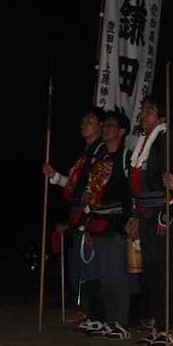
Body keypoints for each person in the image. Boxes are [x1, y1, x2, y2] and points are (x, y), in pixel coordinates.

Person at [126, 95, 173, 346]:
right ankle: (158, 324)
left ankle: (169, 327)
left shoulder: (168, 138)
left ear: (162, 116)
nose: (143, 114)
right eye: (142, 110)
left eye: (149, 110)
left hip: (162, 212)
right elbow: (137, 186)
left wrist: (165, 213)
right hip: (145, 212)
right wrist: (135, 216)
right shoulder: (142, 143)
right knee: (151, 272)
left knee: (164, 270)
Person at [43, 107, 106, 328]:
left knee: (90, 267)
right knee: (80, 267)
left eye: (90, 120)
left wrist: (88, 222)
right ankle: (88, 312)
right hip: (77, 215)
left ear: (100, 126)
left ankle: (96, 315)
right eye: (83, 120)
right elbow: (74, 186)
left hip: (87, 216)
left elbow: (95, 191)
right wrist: (55, 177)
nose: (84, 124)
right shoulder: (85, 154)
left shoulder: (100, 153)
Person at [80, 111, 134, 340]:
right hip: (98, 221)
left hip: (116, 222)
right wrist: (88, 225)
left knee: (115, 275)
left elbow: (132, 192)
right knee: (104, 275)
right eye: (105, 126)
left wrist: (132, 219)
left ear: (121, 131)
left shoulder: (126, 157)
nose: (105, 129)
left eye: (110, 126)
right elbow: (91, 193)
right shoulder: (99, 158)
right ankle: (109, 320)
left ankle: (120, 322)